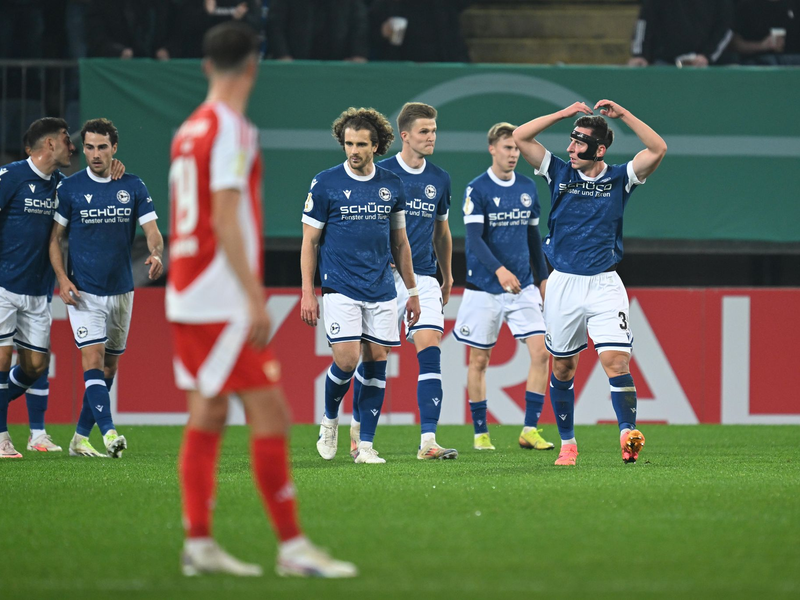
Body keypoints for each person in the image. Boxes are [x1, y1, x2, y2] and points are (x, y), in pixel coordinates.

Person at [167, 22, 357, 577]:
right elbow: (225, 214)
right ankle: (292, 546)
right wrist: (254, 298)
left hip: (186, 292)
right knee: (270, 410)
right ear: (254, 66)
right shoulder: (234, 129)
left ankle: (200, 542)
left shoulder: (188, 130)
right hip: (219, 297)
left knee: (208, 410)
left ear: (206, 66)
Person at [512, 100, 667, 466]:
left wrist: (625, 115)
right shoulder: (559, 172)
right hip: (563, 283)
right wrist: (564, 114)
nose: (570, 147)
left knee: (616, 360)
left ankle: (627, 432)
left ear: (600, 150)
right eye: (571, 139)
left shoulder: (620, 178)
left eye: (580, 142)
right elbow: (520, 136)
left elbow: (658, 148)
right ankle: (568, 443)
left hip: (604, 284)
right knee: (563, 368)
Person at [300, 106, 419, 465]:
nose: (353, 150)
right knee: (348, 359)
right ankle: (330, 419)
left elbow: (400, 242)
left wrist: (412, 293)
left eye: (361, 144)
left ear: (377, 145)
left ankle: (365, 444)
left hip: (382, 287)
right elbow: (309, 242)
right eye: (348, 143)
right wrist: (308, 290)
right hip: (339, 285)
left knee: (377, 360)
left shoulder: (391, 185)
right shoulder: (326, 183)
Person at [1, 118, 124, 458]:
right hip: (4, 284)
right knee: (1, 359)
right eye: (68, 142)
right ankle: (2, 437)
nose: (74, 148)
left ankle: (36, 433)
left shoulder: (61, 185)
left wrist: (114, 169)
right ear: (51, 144)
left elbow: (92, 186)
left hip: (39, 289)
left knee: (35, 367)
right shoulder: (10, 177)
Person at [49, 118, 163, 459]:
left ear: (114, 148)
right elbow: (54, 239)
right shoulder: (69, 189)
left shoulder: (132, 185)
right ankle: (110, 432)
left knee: (109, 367)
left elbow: (153, 232)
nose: (95, 154)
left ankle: (80, 439)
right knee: (93, 359)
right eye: (89, 147)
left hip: (121, 290)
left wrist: (156, 253)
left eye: (101, 147)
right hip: (83, 291)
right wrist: (63, 278)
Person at [352, 101, 457, 460]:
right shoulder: (379, 175)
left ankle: (428, 442)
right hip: (381, 279)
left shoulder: (439, 178)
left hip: (424, 277)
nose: (431, 137)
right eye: (424, 131)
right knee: (372, 358)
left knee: (430, 350)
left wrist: (447, 275)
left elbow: (442, 232)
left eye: (434, 130)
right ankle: (357, 429)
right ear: (405, 136)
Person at [453, 123, 554, 453]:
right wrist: (499, 271)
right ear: (492, 149)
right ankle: (481, 433)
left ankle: (530, 429)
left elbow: (532, 238)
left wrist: (542, 278)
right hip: (484, 287)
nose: (514, 154)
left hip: (522, 285)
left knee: (541, 353)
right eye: (507, 148)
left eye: (516, 149)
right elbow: (473, 240)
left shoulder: (527, 187)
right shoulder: (478, 189)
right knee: (479, 360)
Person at [628, 0, 734, 67]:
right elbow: (644, 22)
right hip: (663, 63)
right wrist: (640, 55)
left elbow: (726, 27)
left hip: (703, 66)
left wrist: (707, 56)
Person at [267, 0, 368, 61]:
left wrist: (358, 54)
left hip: (339, 64)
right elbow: (275, 24)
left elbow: (360, 23)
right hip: (297, 63)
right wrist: (283, 55)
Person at [731, 0, 800, 66]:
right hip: (758, 62)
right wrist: (761, 46)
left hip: (793, 62)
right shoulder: (747, 5)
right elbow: (734, 44)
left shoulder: (795, 4)